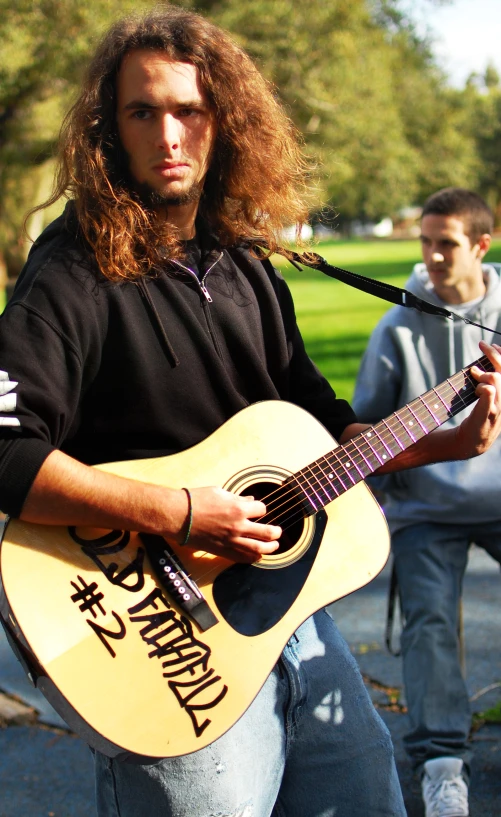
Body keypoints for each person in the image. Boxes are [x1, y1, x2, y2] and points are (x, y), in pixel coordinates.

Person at [0, 8, 500, 812]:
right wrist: (181, 510)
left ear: (222, 121)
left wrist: (439, 442)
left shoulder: (247, 264)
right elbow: (7, 453)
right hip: (156, 642)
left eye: (188, 111)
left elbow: (325, 430)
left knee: (370, 800)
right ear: (109, 129)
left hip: (288, 619)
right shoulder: (71, 273)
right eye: (143, 111)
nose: (169, 134)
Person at [353, 187, 501, 817]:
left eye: (447, 243)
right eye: (426, 242)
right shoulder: (398, 322)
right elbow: (363, 427)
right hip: (424, 508)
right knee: (430, 624)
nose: (434, 256)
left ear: (480, 246)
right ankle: (443, 766)